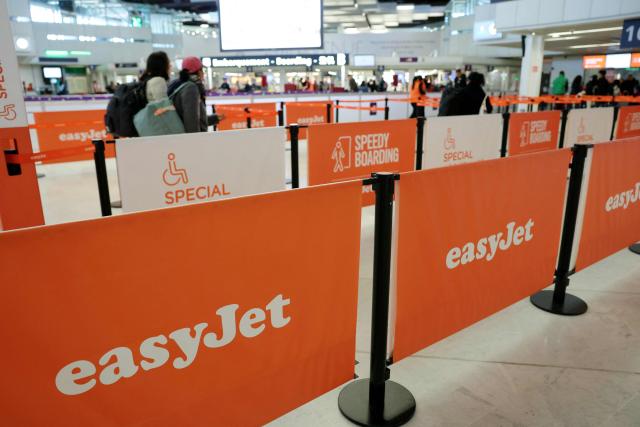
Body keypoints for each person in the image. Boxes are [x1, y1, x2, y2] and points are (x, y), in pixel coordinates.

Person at [168, 56, 220, 133]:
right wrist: (195, 141)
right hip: (189, 140)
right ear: (199, 71)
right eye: (202, 70)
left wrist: (215, 118)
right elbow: (191, 121)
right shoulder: (190, 88)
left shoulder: (178, 85)